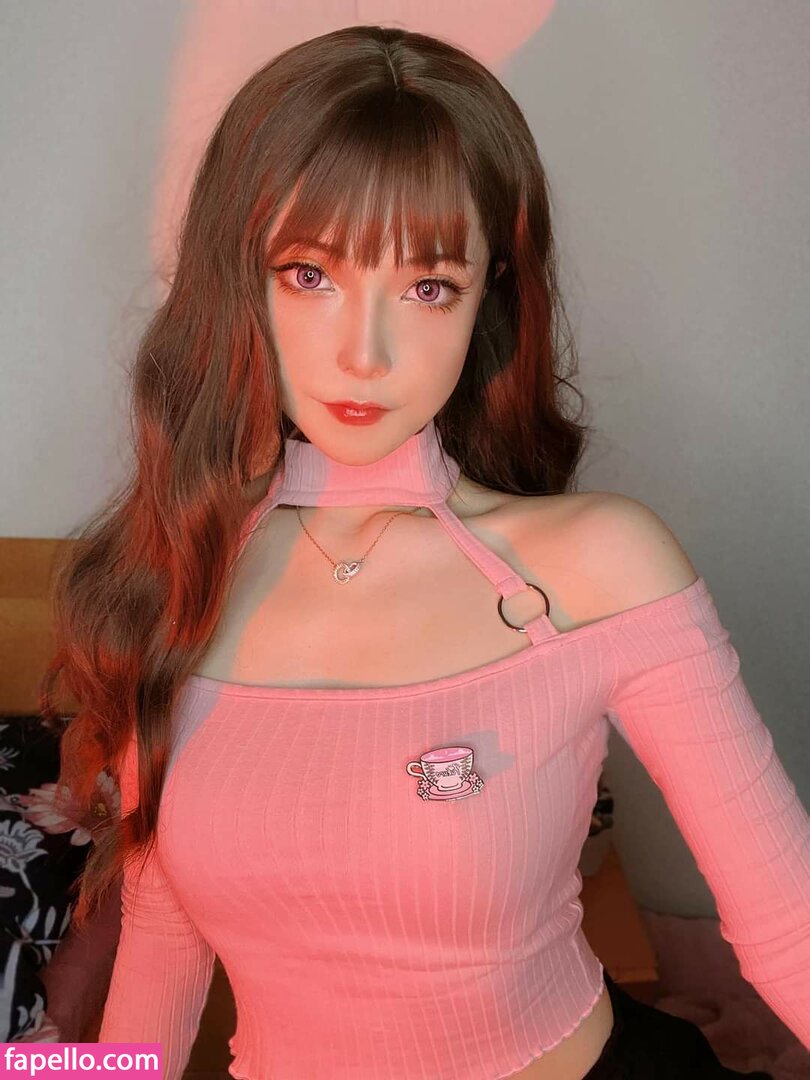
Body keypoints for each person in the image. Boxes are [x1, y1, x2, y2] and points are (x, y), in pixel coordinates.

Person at [43, 23, 807, 1080]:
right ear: (238, 280)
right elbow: (163, 953)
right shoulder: (177, 579)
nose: (366, 352)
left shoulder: (597, 567)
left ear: (490, 294)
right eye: (308, 274)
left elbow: (788, 924)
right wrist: (42, 1068)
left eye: (428, 286)